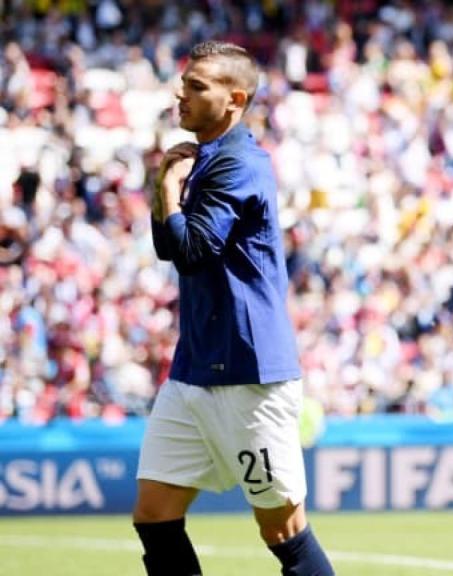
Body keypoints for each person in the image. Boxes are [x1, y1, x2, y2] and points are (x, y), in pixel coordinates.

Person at [133, 41, 334, 576]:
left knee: (283, 531)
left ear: (234, 99)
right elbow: (170, 246)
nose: (182, 92)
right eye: (184, 81)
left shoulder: (240, 163)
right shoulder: (203, 161)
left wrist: (171, 193)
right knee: (154, 514)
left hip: (249, 373)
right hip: (194, 368)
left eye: (197, 86)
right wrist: (165, 191)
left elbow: (195, 252)